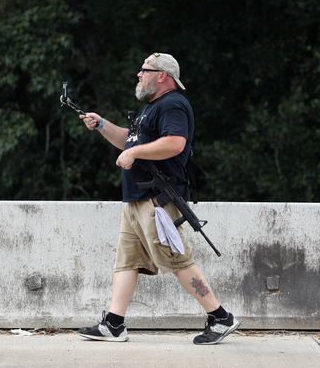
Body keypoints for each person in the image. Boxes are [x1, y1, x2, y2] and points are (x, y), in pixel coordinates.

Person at [76, 52, 240, 345]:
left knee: (176, 259)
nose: (138, 75)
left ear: (162, 75)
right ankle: (114, 324)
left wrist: (135, 153)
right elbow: (128, 140)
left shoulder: (173, 104)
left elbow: (175, 143)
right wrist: (101, 124)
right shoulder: (150, 109)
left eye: (144, 70)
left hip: (156, 200)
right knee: (126, 261)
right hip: (137, 200)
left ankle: (221, 317)